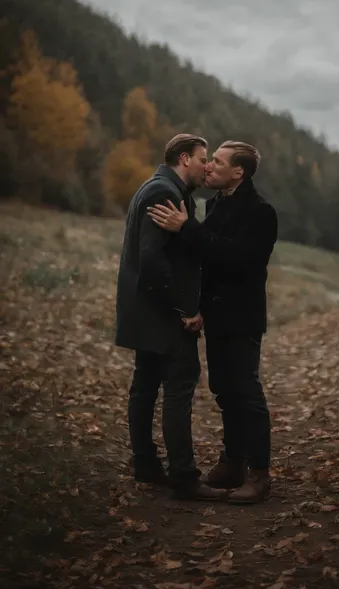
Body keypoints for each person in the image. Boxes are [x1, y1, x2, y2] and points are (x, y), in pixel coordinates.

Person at [147, 141, 278, 504]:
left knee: (246, 392)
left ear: (238, 172)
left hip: (242, 316)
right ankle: (233, 462)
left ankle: (260, 474)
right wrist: (198, 306)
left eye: (217, 162)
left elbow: (237, 260)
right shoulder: (214, 203)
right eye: (210, 161)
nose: (209, 168)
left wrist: (187, 228)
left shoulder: (261, 211)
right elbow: (210, 265)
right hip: (217, 315)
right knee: (223, 390)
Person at [115, 133, 226, 501]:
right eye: (202, 158)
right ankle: (183, 476)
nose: (207, 165)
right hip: (163, 315)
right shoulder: (165, 192)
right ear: (183, 158)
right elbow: (153, 261)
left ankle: (146, 464)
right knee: (178, 386)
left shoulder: (158, 186)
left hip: (148, 311)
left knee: (145, 385)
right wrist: (184, 309)